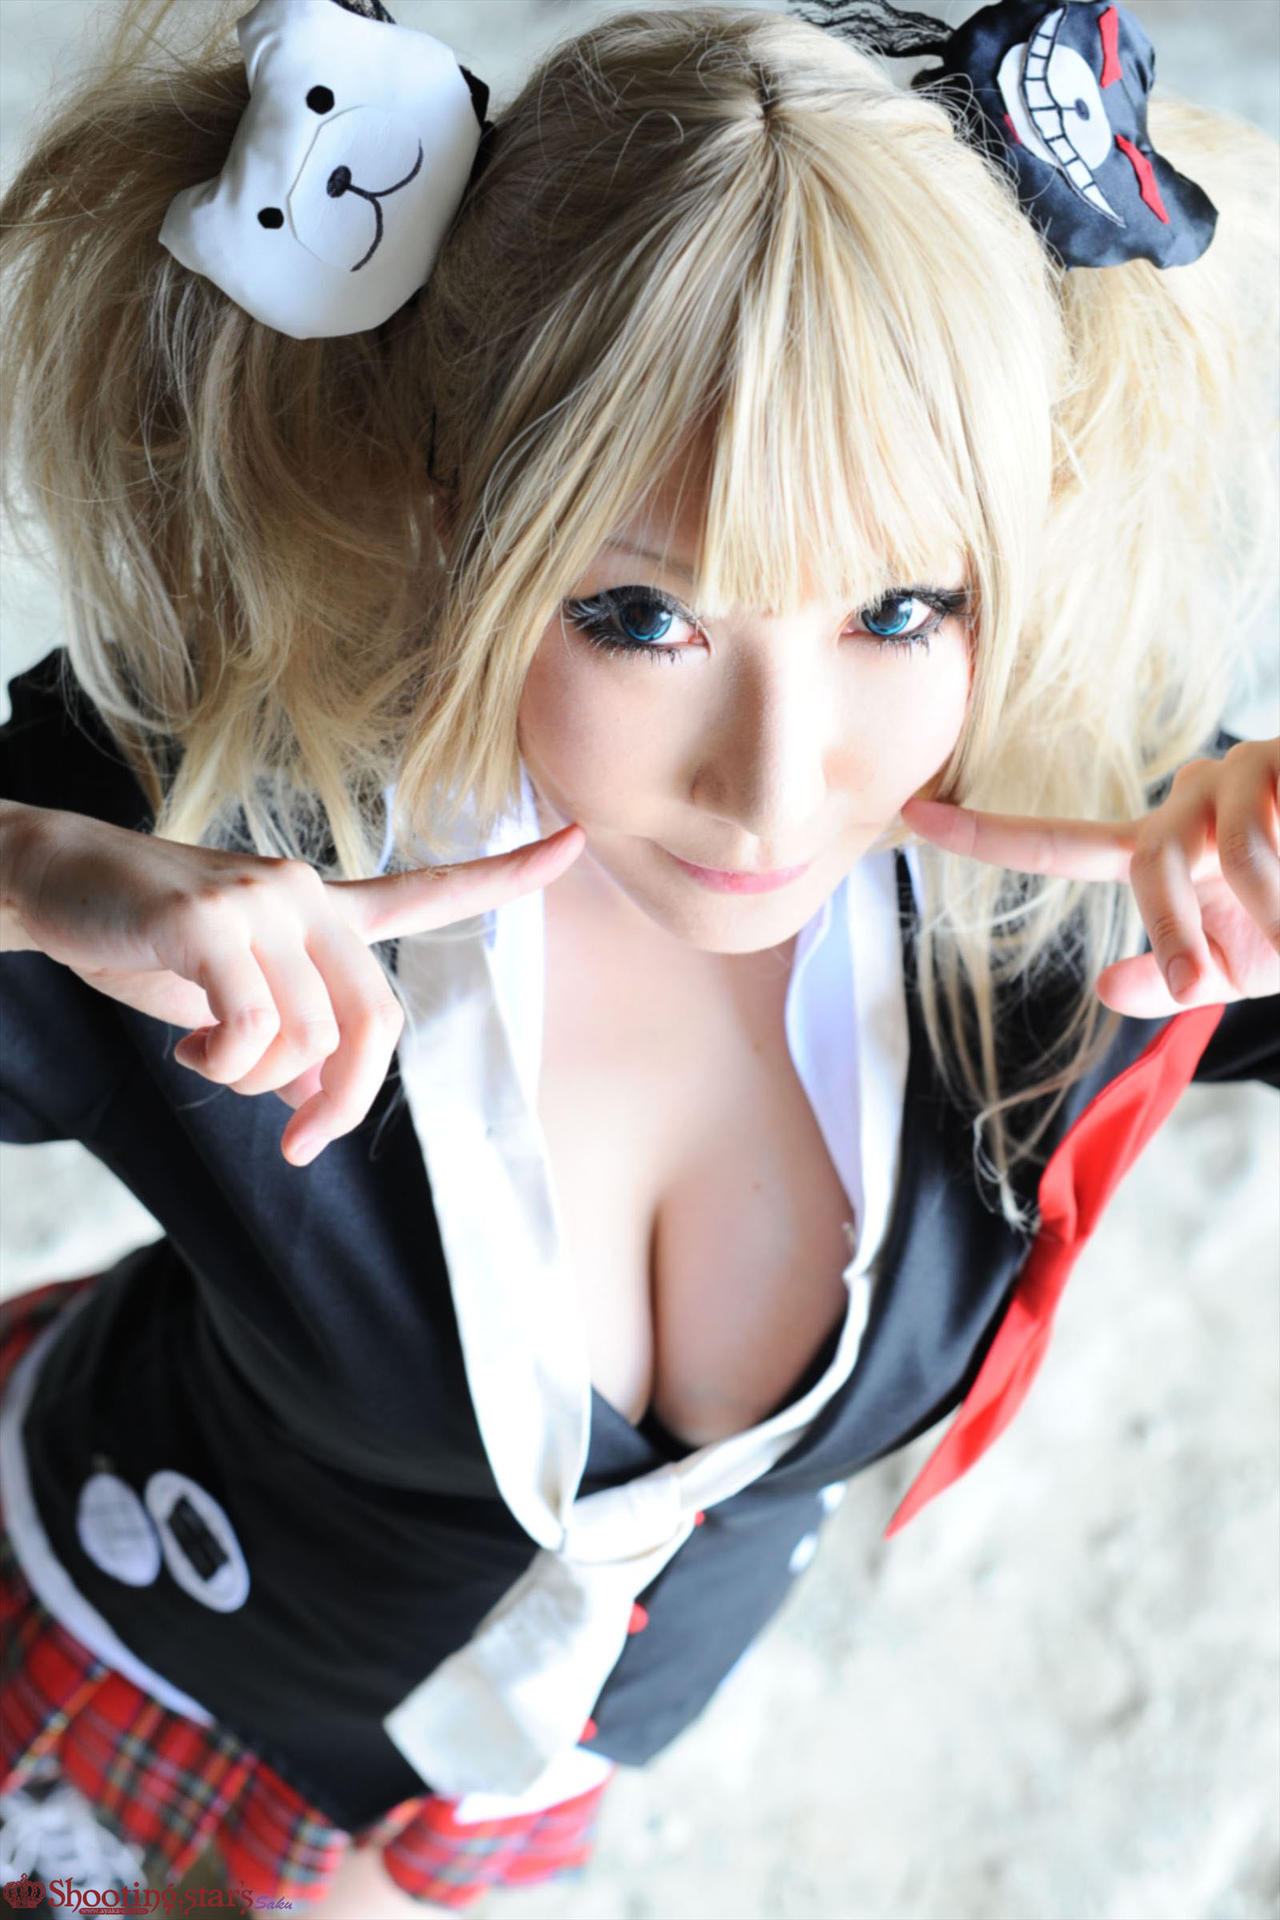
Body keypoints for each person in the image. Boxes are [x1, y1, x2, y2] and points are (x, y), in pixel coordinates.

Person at [0, 0, 1277, 1911]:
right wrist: (28, 873)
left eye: (899, 608)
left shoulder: (1082, 869)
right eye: (641, 618)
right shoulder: (217, 818)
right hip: (140, 1655)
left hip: (542, 1777)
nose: (775, 787)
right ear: (452, 516)